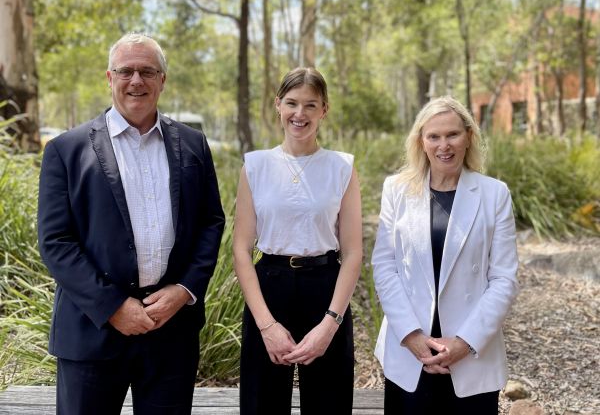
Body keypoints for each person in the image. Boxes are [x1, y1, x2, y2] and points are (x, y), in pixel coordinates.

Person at [38, 32, 225, 415]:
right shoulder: (66, 150)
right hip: (93, 330)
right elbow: (56, 241)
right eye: (126, 71)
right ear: (110, 78)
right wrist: (112, 306)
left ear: (162, 80)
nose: (136, 81)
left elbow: (211, 223)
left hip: (170, 332)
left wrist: (185, 289)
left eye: (147, 71)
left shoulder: (193, 144)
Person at [371, 96, 518, 414]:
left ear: (469, 136)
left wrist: (464, 343)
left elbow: (504, 278)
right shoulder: (397, 190)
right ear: (421, 142)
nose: (444, 145)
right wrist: (412, 336)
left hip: (472, 355)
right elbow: (384, 266)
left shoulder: (494, 194)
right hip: (409, 355)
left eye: (452, 134)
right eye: (433, 136)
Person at [233, 67, 362, 415]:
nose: (299, 114)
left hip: (325, 291)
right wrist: (266, 325)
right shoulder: (256, 166)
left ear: (324, 109)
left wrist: (329, 323)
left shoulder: (341, 167)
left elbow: (352, 253)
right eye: (291, 103)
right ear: (278, 105)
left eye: (310, 105)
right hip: (269, 290)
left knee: (328, 404)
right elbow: (242, 250)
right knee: (263, 405)